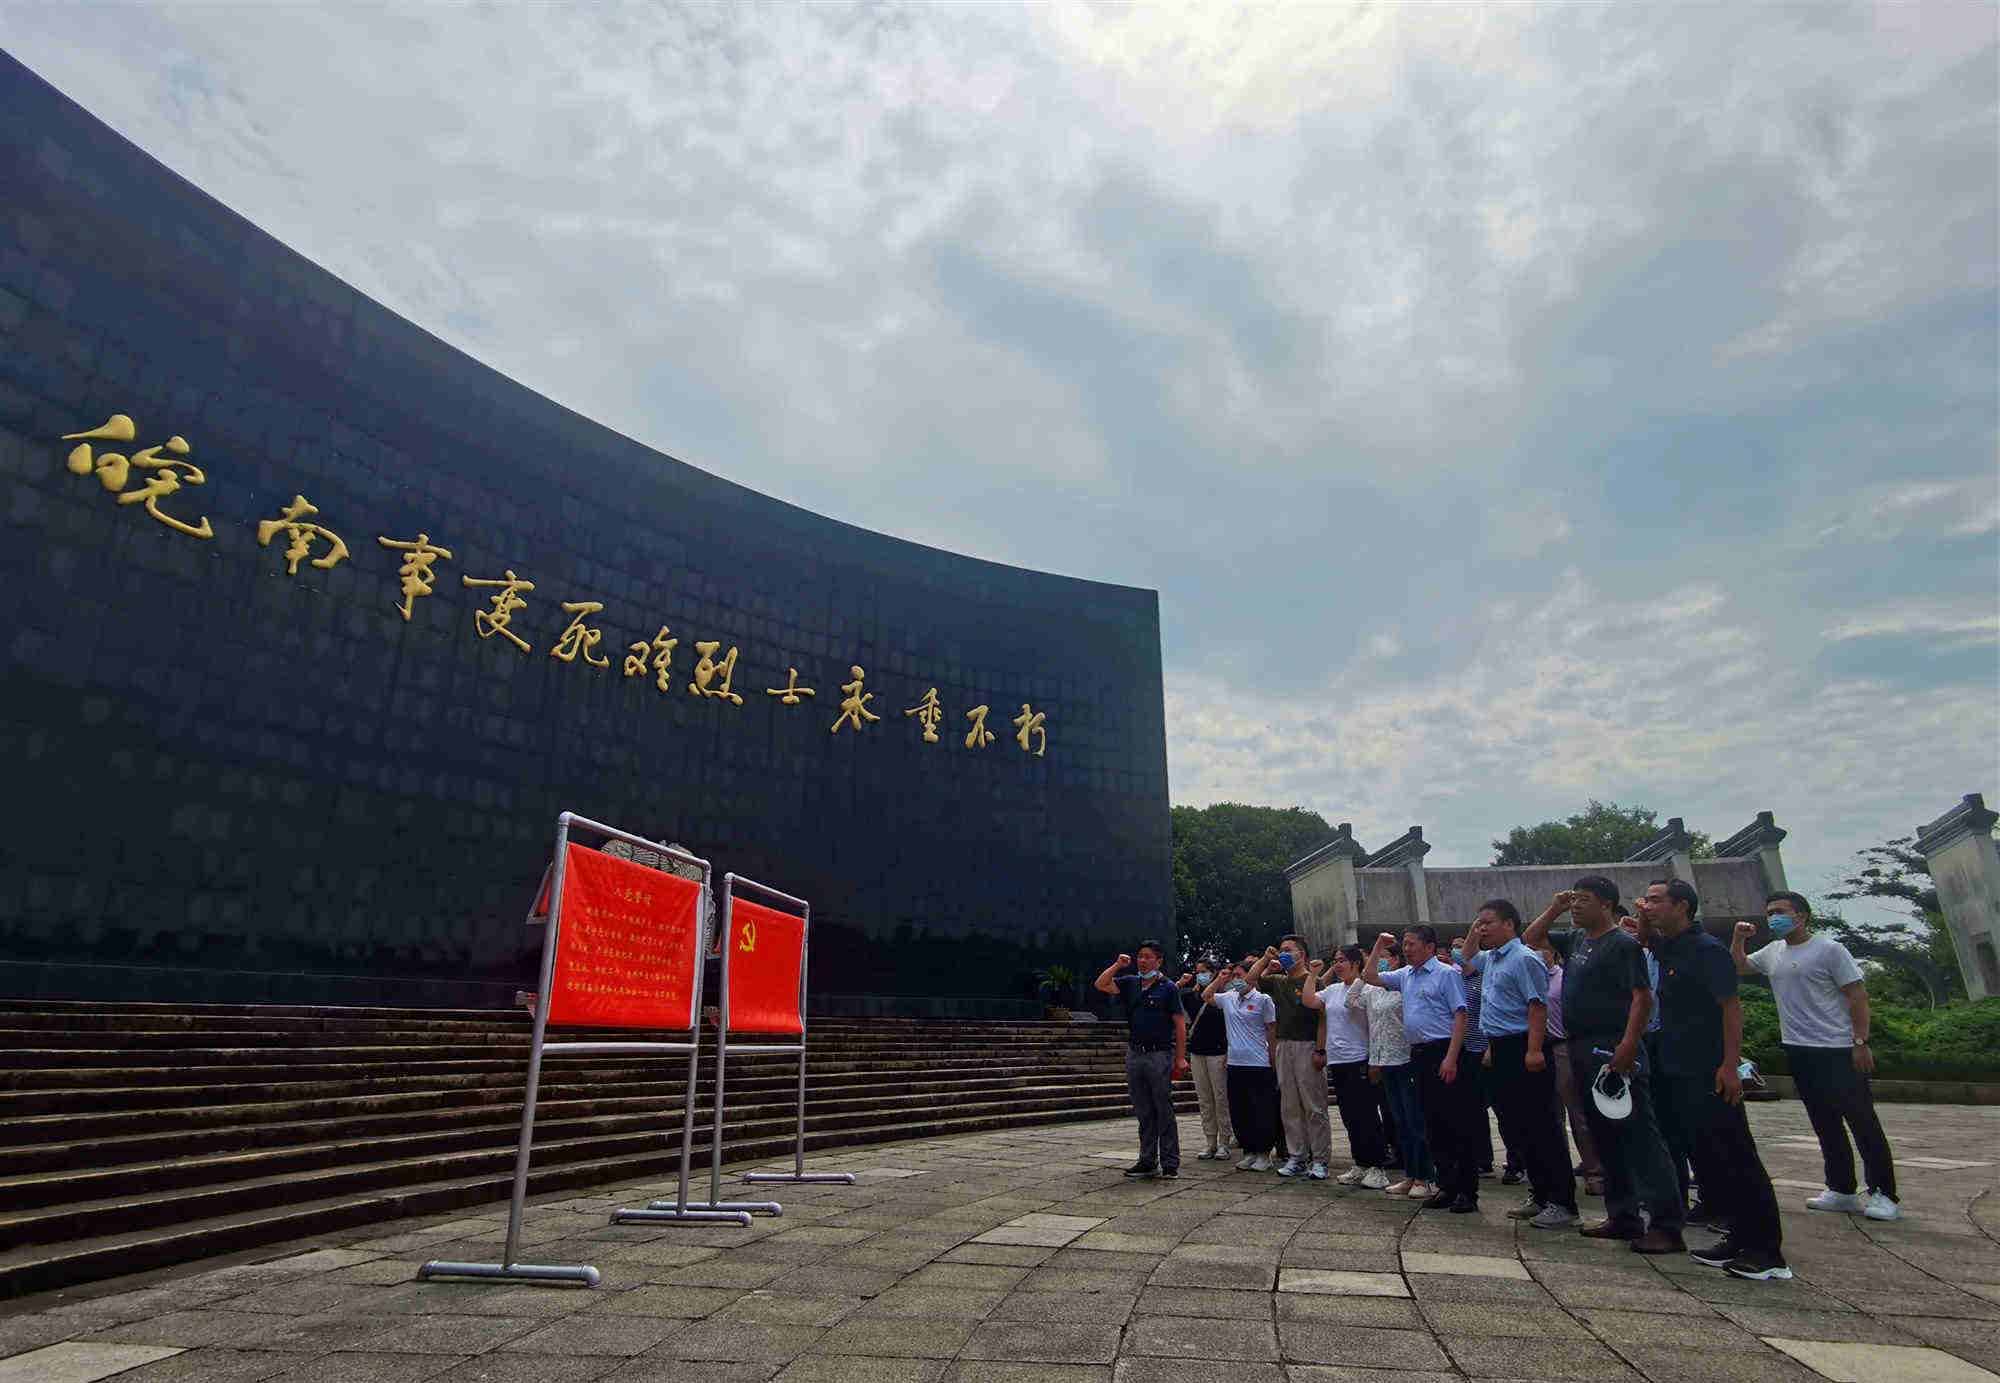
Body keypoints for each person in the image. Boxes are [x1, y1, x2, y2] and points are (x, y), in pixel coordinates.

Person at [1637, 879, 1790, 1281]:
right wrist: (1643, 913)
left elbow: (1731, 1008)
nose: (1648, 906)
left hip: (1710, 1070)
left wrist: (1729, 1065)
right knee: (1710, 1158)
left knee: (1737, 1155)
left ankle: (1766, 1251)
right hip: (1678, 1068)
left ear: (1682, 906)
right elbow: (1645, 937)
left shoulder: (1707, 950)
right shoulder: (1672, 946)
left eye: (1656, 900)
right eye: (1646, 901)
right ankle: (1738, 1237)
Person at [1523, 877, 1684, 1253]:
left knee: (1640, 1136)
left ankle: (1666, 1225)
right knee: (1604, 1136)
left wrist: (1627, 1046)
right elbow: (1531, 938)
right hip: (1580, 1045)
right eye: (1574, 899)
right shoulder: (1577, 940)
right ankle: (1622, 1216)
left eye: (1584, 900)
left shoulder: (1622, 944)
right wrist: (1556, 907)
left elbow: (1642, 998)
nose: (1576, 906)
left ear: (1607, 904)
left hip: (1613, 1047)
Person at [1733, 892, 1899, 1222]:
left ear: (1802, 915)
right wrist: (1738, 939)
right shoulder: (1774, 951)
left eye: (1780, 911)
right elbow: (1740, 966)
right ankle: (1841, 1188)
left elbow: (1857, 995)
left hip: (1837, 1048)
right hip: (1798, 1048)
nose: (1773, 918)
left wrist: (1860, 1041)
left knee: (1862, 1121)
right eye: (1769, 913)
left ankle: (1884, 1193)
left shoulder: (1829, 949)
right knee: (1824, 1122)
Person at [1460, 900, 1577, 1228]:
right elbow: (1466, 956)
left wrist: (1534, 1050)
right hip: (1499, 1047)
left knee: (1543, 1126)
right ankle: (1540, 1194)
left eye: (1488, 922)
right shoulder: (1493, 958)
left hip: (1524, 1045)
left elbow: (1536, 1006)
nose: (1482, 928)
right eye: (1479, 923)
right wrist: (1475, 929)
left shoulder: (1524, 958)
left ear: (1509, 924)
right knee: (1518, 1126)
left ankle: (1562, 1201)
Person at [1362, 926, 1479, 1212]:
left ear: (1429, 946)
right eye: (1404, 944)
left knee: (1455, 1122)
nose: (1406, 949)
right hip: (1418, 1054)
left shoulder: (1446, 974)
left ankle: (1466, 1190)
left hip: (1444, 1051)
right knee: (1432, 1123)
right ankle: (1446, 1186)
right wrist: (1378, 945)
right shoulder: (1406, 975)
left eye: (1412, 944)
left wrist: (1451, 1058)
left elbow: (1460, 1015)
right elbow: (1369, 976)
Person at [1093, 942, 1188, 1180]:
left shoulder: (1168, 988)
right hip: (1135, 1053)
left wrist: (1180, 1058)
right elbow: (1101, 984)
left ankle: (1170, 1163)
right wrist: (1118, 965)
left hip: (1159, 1054)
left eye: (1148, 957)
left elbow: (1179, 1024)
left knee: (1163, 1109)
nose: (1142, 961)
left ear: (1159, 961)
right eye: (1140, 957)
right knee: (1143, 1109)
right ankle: (1147, 1160)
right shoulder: (1130, 983)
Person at [1351, 943, 1435, 1200]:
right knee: (1399, 1121)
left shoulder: (1405, 984)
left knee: (1415, 1121)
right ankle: (1410, 1175)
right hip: (1383, 1059)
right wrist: (1375, 950)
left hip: (1406, 1057)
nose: (1378, 960)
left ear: (1397, 960)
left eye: (1385, 956)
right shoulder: (1373, 990)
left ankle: (1425, 1177)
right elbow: (1351, 999)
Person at [1303, 946, 1391, 1187]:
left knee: (1367, 1116)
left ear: (1355, 963)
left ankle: (1378, 1167)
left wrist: (1375, 1061)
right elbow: (1309, 1001)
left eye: (1342, 960)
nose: (1337, 965)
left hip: (1360, 1059)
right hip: (1338, 1061)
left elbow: (1375, 1027)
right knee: (1350, 1117)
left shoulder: (1368, 989)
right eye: (1335, 961)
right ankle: (1360, 1164)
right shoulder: (1332, 990)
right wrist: (1313, 974)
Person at [1259, 936, 1334, 1181]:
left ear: (1301, 954)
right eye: (1281, 950)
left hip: (1307, 1045)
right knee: (1289, 1105)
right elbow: (1251, 979)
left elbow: (1323, 1018)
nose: (1283, 953)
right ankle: (1297, 1156)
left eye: (1288, 950)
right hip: (1284, 1045)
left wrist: (1320, 1049)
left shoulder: (1315, 981)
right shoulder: (1279, 981)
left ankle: (1320, 1159)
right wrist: (1266, 959)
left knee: (1314, 1105)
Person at [1541, 943, 1605, 1197]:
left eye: (1543, 949)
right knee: (1550, 1115)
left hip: (1563, 1047)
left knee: (1578, 1113)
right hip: (1539, 1049)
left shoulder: (1564, 977)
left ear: (1554, 953)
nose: (1538, 954)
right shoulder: (1532, 976)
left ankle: (1595, 1172)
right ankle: (1559, 1171)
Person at [1202, 965, 1279, 1169]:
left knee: (1260, 1110)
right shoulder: (1229, 997)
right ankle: (1249, 1151)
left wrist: (1273, 1058)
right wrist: (1220, 979)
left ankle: (1264, 1153)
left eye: (1239, 975)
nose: (1236, 979)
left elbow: (1271, 1030)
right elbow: (1206, 996)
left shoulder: (1263, 999)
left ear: (1250, 977)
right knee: (1240, 1110)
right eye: (1234, 976)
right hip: (1235, 1063)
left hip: (1258, 1062)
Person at [1180, 957, 1236, 1161]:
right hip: (1197, 1051)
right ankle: (1210, 1141)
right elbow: (1173, 996)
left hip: (1218, 1052)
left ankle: (1224, 1142)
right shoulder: (1192, 996)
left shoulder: (1224, 996)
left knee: (1221, 1098)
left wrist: (1220, 981)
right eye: (1198, 971)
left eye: (1204, 971)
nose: (1200, 975)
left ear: (1213, 973)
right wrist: (1183, 982)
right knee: (1204, 1099)